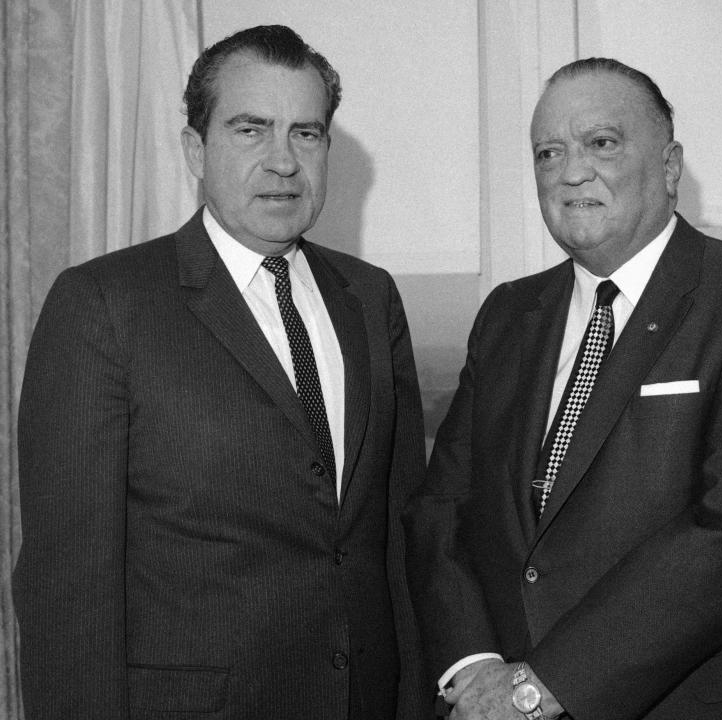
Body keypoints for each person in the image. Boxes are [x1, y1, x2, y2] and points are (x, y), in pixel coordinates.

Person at [14, 25, 427, 720]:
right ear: (195, 150)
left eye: (306, 134)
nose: (283, 162)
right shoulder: (104, 306)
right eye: (250, 130)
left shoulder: (371, 298)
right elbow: (68, 593)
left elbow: (398, 542)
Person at [405, 57, 722, 720]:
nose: (571, 173)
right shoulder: (509, 314)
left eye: (602, 143)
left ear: (669, 165)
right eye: (549, 153)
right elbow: (442, 509)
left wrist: (539, 688)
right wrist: (475, 665)